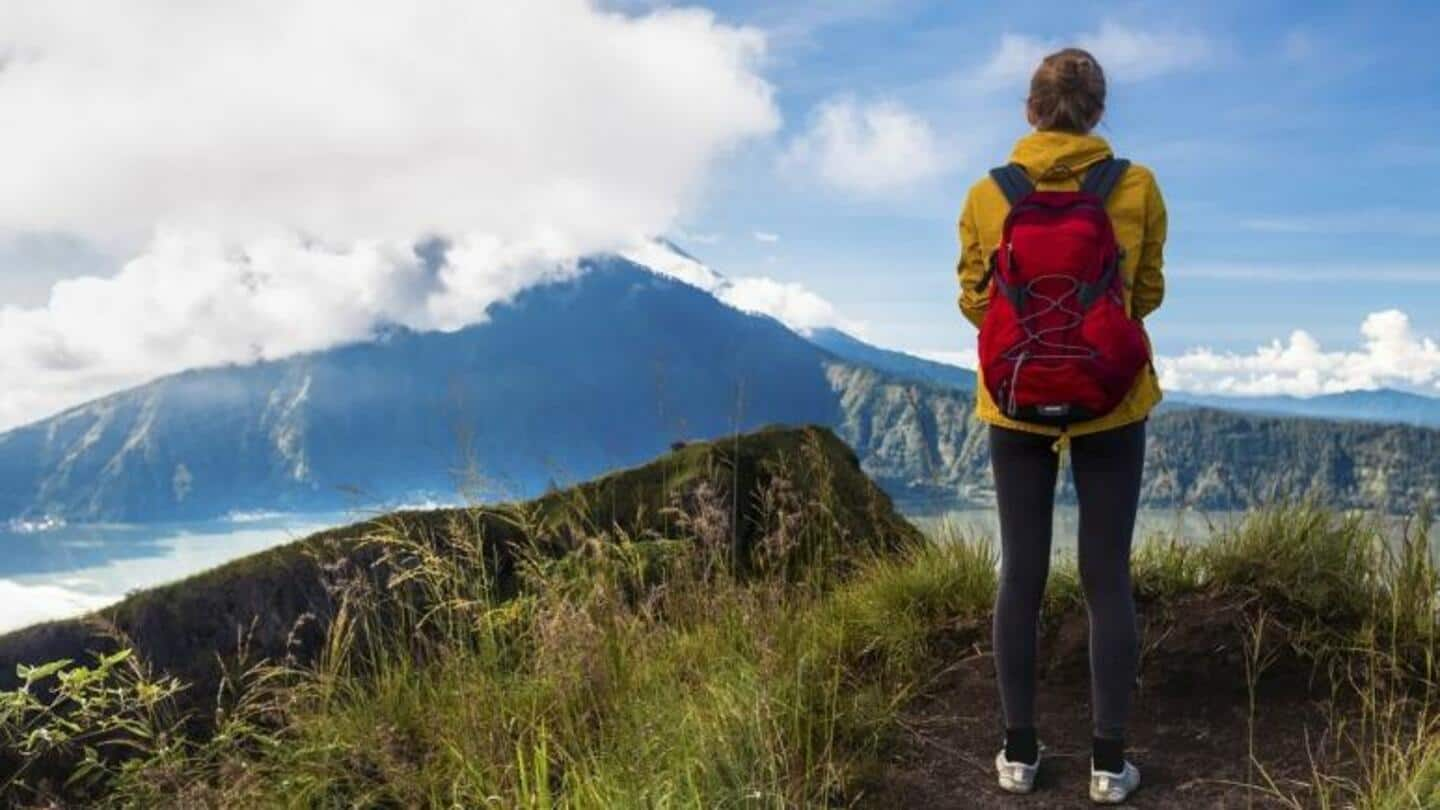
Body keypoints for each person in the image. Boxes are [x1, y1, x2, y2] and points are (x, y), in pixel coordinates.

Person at [955, 47, 1167, 804]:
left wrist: (1034, 342)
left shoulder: (989, 193)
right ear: (1100, 112)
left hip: (1013, 402)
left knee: (1022, 572)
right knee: (1107, 575)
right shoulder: (1136, 186)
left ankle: (1019, 753)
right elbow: (1144, 295)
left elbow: (976, 304)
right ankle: (1109, 764)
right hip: (1112, 399)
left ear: (1029, 110)